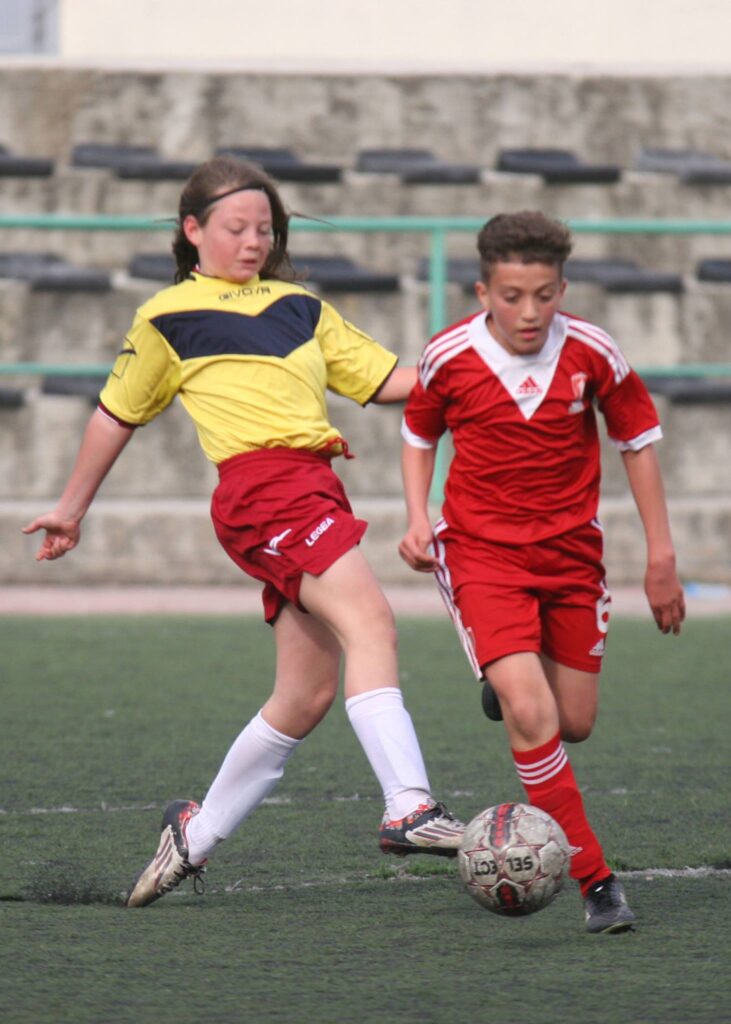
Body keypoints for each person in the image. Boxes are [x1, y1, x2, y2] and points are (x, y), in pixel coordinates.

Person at [23, 156, 464, 908]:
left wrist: (473, 371)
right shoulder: (167, 315)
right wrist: (72, 507)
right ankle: (408, 807)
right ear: (192, 230)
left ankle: (192, 837)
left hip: (312, 486)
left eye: (265, 228)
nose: (254, 241)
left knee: (306, 693)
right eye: (236, 227)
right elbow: (114, 415)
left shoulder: (300, 306)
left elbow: (390, 381)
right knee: (372, 621)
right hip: (262, 492)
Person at [398, 211, 685, 934]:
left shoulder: (592, 351)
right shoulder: (448, 356)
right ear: (483, 292)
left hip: (571, 557)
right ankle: (597, 883)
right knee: (533, 714)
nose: (529, 312)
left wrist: (660, 556)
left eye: (544, 295)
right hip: (481, 555)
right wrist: (416, 515)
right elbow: (418, 432)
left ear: (562, 288)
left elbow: (638, 442)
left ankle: (508, 684)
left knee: (573, 722)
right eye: (511, 296)